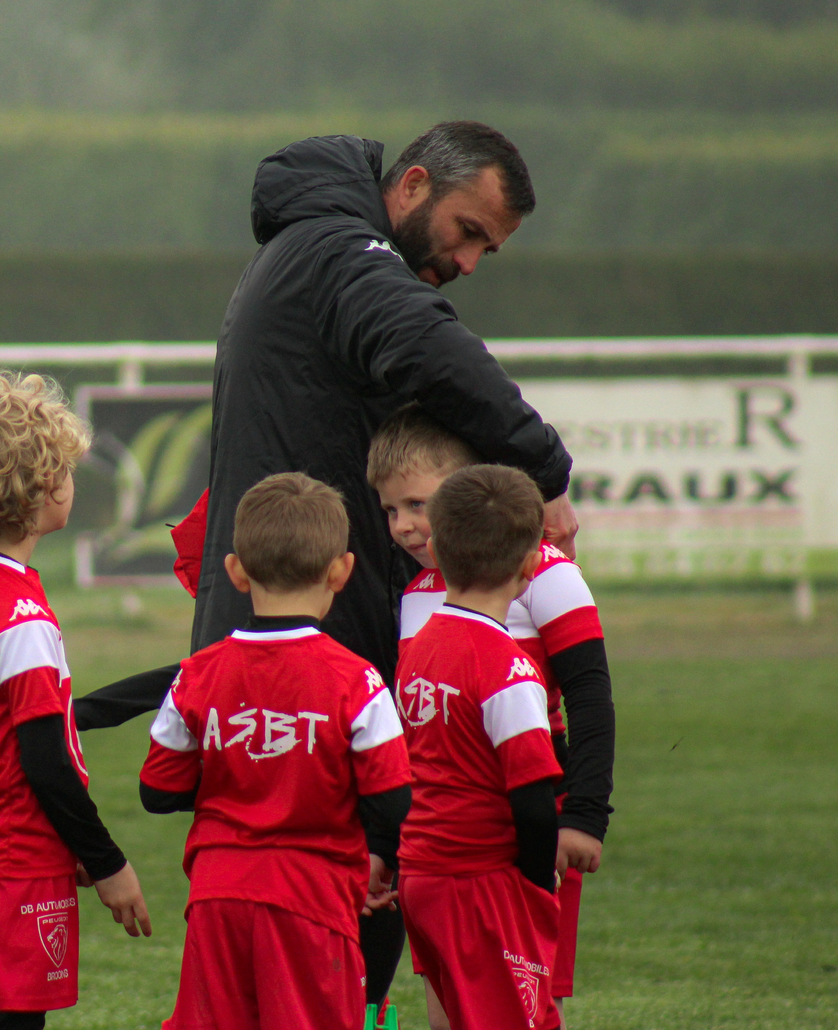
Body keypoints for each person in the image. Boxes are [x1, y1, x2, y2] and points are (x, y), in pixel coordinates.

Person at [78, 120, 577, 1006]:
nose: (468, 263)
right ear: (412, 186)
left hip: (268, 631)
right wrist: (544, 471)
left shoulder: (308, 250)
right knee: (353, 902)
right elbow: (431, 349)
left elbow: (162, 786)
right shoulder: (346, 257)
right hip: (319, 631)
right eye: (467, 232)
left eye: (486, 250)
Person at [369, 404, 614, 1027]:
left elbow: (589, 694)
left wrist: (584, 815)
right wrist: (391, 841)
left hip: (527, 817)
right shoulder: (419, 595)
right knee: (447, 999)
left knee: (529, 995)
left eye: (418, 504)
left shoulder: (547, 573)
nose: (403, 525)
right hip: (439, 842)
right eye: (391, 510)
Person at [139, 473, 411, 1030]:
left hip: (216, 895)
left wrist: (239, 766)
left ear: (235, 571)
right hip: (312, 898)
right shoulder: (358, 682)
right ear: (341, 571)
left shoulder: (195, 675)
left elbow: (158, 792)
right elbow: (392, 804)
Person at [0, 373, 151, 1030]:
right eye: (67, 469)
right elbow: (45, 760)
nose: (72, 481)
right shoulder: (17, 614)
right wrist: (109, 863)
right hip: (13, 857)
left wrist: (168, 680)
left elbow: (41, 722)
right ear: (40, 487)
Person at [394, 465, 564, 1030]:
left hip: (421, 874)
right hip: (480, 882)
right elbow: (534, 801)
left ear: (436, 551)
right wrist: (537, 884)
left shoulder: (419, 649)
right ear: (530, 567)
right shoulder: (508, 669)